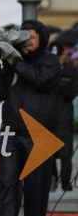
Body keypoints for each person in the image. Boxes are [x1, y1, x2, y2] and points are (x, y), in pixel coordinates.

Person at [0, 20, 60, 216]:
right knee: (7, 185)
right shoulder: (12, 62)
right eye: (23, 36)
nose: (26, 41)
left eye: (31, 37)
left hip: (39, 136)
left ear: (41, 39)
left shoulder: (49, 60)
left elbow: (41, 80)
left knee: (36, 191)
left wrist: (14, 61)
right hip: (10, 133)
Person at [51, 44, 78, 192]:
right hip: (48, 117)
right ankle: (52, 182)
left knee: (66, 153)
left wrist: (59, 83)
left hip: (65, 117)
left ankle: (66, 184)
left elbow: (70, 93)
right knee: (49, 154)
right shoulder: (46, 71)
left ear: (62, 55)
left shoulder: (71, 72)